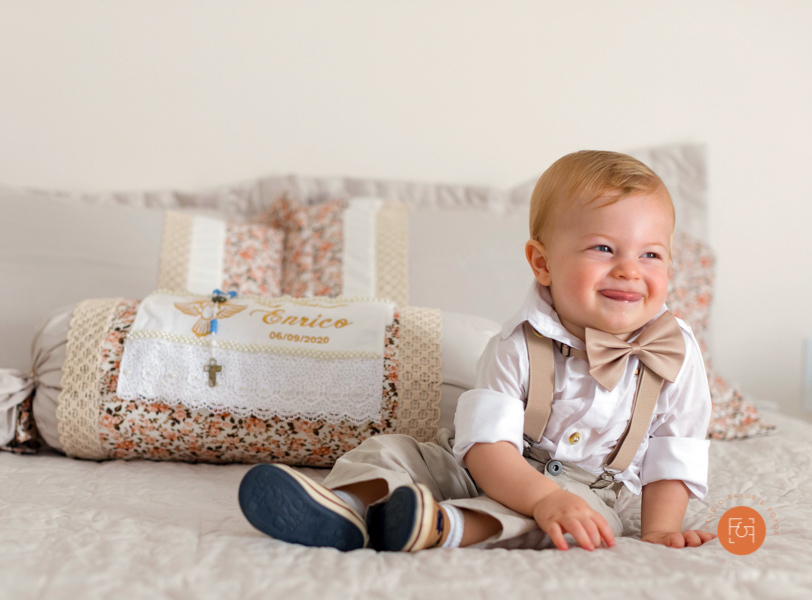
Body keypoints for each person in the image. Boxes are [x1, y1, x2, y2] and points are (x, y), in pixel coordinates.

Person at [238, 150, 717, 552]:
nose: (630, 270)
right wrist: (537, 494)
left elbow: (674, 449)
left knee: (584, 523)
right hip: (483, 462)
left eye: (651, 254)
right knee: (394, 449)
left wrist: (660, 530)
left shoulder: (673, 353)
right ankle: (347, 506)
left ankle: (438, 526)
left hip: (584, 488)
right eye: (604, 249)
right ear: (543, 263)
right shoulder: (520, 342)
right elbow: (487, 447)